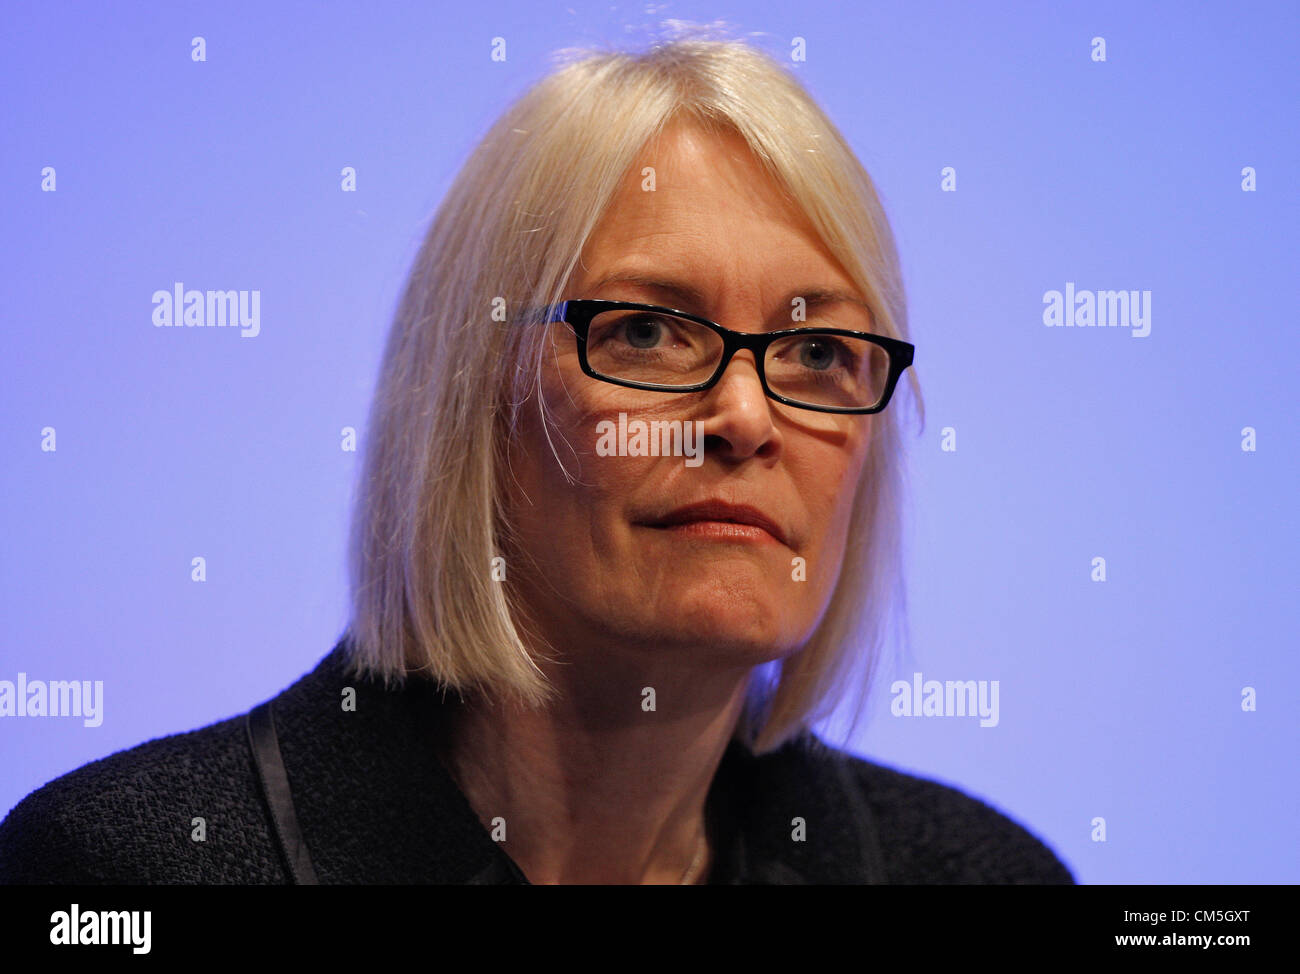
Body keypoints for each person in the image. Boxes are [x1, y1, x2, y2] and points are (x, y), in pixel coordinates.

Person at [0, 37, 1073, 885]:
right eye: (647, 332)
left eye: (818, 350)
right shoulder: (123, 869)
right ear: (470, 395)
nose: (745, 415)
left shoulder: (986, 872)